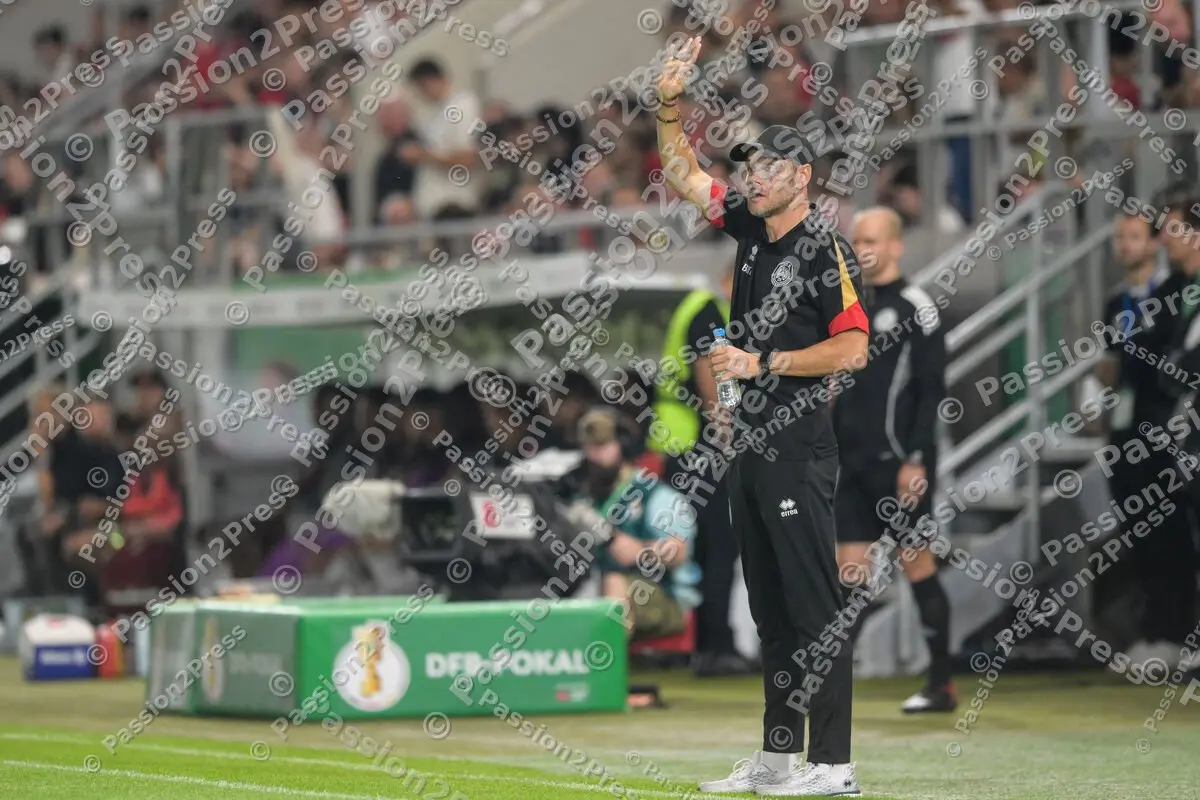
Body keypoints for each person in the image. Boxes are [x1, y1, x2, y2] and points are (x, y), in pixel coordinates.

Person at [656, 37, 869, 796]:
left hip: (799, 453)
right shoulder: (750, 228)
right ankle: (778, 760)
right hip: (749, 452)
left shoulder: (825, 251)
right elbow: (682, 172)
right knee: (772, 612)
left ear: (802, 177)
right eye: (749, 167)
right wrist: (668, 102)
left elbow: (853, 348)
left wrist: (763, 363)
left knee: (816, 609)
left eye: (769, 167)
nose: (752, 176)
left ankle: (834, 764)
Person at [833, 208, 954, 714]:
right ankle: (831, 684)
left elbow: (931, 390)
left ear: (897, 246)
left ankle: (941, 683)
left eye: (872, 240)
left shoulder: (916, 307)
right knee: (849, 571)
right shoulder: (848, 305)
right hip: (853, 463)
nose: (863, 249)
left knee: (915, 562)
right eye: (857, 240)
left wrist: (918, 459)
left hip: (900, 463)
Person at [646, 272, 753, 677]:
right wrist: (728, 432)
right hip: (695, 446)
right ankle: (715, 646)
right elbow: (713, 375)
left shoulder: (703, 308)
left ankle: (703, 643)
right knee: (718, 544)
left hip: (682, 444)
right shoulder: (710, 310)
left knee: (702, 547)